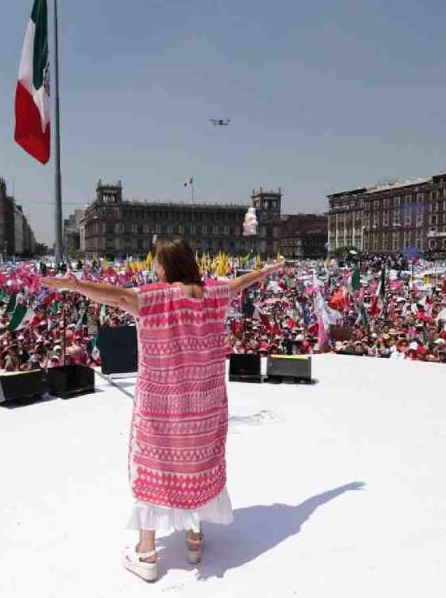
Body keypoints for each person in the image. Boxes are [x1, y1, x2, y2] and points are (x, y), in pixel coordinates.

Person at [43, 235, 285, 582]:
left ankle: (147, 553)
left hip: (161, 408)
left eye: (157, 260)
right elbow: (240, 283)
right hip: (204, 408)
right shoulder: (214, 294)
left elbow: (117, 296)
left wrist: (76, 285)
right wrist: (269, 270)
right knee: (198, 464)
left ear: (166, 264)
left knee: (153, 472)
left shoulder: (154, 297)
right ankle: (194, 540)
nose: (154, 266)